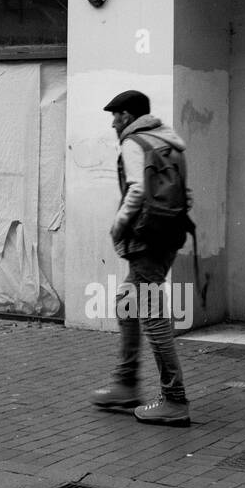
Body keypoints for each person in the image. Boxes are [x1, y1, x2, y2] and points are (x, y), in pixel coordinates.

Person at [91, 90, 192, 426]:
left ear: (128, 116)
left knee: (152, 315)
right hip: (169, 234)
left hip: (146, 237)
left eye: (116, 115)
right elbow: (185, 194)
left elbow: (136, 189)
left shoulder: (135, 143)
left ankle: (174, 400)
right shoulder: (171, 143)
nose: (112, 122)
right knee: (126, 301)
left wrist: (119, 227)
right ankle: (125, 383)